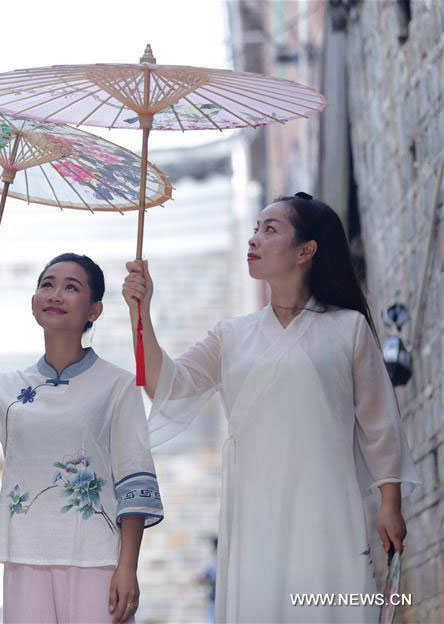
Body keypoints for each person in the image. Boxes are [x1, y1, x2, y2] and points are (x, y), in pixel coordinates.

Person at [124, 193, 420, 623]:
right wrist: (141, 313)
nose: (254, 239)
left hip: (326, 509)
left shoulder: (347, 329)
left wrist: (390, 503)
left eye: (270, 229)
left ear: (306, 251)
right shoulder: (231, 335)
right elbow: (166, 385)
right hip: (254, 514)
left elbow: (380, 424)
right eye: (254, 229)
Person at [0, 253, 163, 624]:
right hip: (25, 557)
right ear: (33, 302)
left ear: (95, 310)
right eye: (47, 285)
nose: (55, 294)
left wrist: (127, 567)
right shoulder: (8, 389)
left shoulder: (116, 385)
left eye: (72, 287)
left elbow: (134, 480)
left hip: (96, 559)